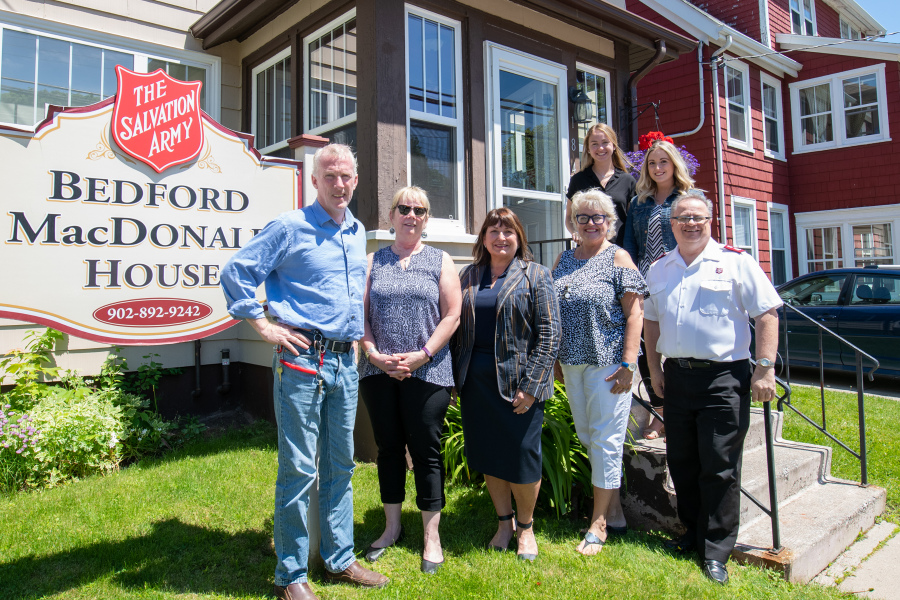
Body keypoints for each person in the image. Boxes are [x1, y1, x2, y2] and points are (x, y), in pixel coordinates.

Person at [220, 144, 388, 600]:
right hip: (302, 361)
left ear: (355, 181)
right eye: (330, 176)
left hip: (344, 364)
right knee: (298, 469)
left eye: (347, 176)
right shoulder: (290, 227)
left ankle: (339, 558)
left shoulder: (355, 232)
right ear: (314, 181)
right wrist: (263, 327)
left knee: (341, 466)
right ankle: (290, 575)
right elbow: (236, 271)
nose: (339, 184)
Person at [643, 190, 781, 585]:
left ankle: (716, 550)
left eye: (698, 217)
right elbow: (651, 321)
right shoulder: (660, 268)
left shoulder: (736, 263)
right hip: (678, 376)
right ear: (671, 224)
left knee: (719, 466)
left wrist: (765, 369)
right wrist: (654, 368)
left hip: (724, 378)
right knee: (683, 462)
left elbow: (767, 314)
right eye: (682, 217)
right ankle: (693, 533)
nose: (690, 223)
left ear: (710, 221)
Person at [357, 186, 462, 575]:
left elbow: (452, 315)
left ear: (426, 219)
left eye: (420, 210)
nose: (411, 214)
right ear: (391, 215)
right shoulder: (373, 261)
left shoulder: (440, 260)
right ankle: (392, 527)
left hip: (429, 371)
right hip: (378, 371)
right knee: (388, 448)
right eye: (404, 208)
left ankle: (431, 536)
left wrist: (423, 355)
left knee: (426, 451)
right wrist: (371, 352)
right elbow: (360, 314)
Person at [452, 207, 560, 562]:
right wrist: (454, 380)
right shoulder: (467, 276)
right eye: (493, 231)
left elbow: (550, 334)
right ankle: (504, 522)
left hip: (519, 385)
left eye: (508, 232)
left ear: (519, 239)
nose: (501, 237)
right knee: (488, 455)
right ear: (483, 238)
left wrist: (532, 385)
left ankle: (526, 528)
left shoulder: (537, 275)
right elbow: (455, 330)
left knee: (522, 457)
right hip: (475, 383)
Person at [552, 189, 646, 556]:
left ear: (610, 222)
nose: (590, 223)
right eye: (582, 217)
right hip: (572, 363)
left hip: (609, 365)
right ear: (572, 223)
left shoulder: (618, 257)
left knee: (606, 441)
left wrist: (628, 364)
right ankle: (615, 510)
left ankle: (598, 524)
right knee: (590, 438)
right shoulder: (564, 259)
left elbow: (635, 314)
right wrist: (558, 361)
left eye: (598, 217)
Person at [622, 139, 696, 440]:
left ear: (674, 164)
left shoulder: (687, 199)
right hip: (645, 282)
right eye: (652, 163)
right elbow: (629, 245)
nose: (657, 168)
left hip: (678, 280)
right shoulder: (638, 203)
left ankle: (684, 409)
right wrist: (629, 279)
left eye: (663, 162)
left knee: (678, 346)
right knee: (646, 349)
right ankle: (660, 411)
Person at [566, 123, 635, 246]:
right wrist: (575, 232)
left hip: (619, 251)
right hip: (587, 250)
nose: (600, 148)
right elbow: (569, 217)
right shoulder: (578, 180)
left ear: (614, 146)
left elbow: (633, 221)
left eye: (605, 142)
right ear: (588, 148)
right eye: (594, 144)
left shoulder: (628, 181)